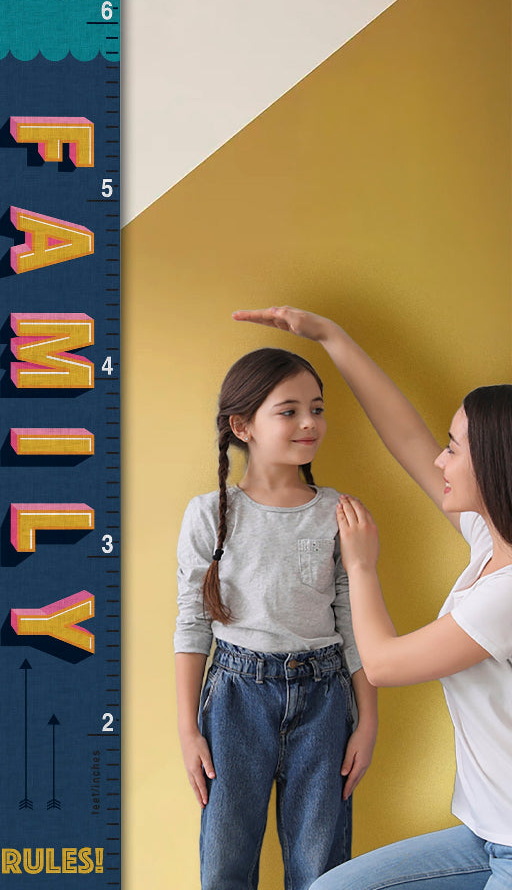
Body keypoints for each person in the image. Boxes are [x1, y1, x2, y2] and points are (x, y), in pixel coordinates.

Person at [234, 306, 512, 889]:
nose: (439, 457)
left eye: (455, 449)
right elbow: (406, 436)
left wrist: (360, 567)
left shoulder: (507, 595)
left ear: (495, 464)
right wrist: (331, 337)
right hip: (486, 834)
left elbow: (382, 664)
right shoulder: (492, 537)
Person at [174, 347, 378, 890]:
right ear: (243, 426)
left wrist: (368, 719)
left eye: (317, 408)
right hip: (235, 698)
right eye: (289, 411)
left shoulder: (339, 513)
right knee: (225, 865)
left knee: (320, 869)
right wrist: (188, 728)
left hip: (325, 700)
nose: (310, 422)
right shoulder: (208, 514)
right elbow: (192, 625)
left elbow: (354, 626)